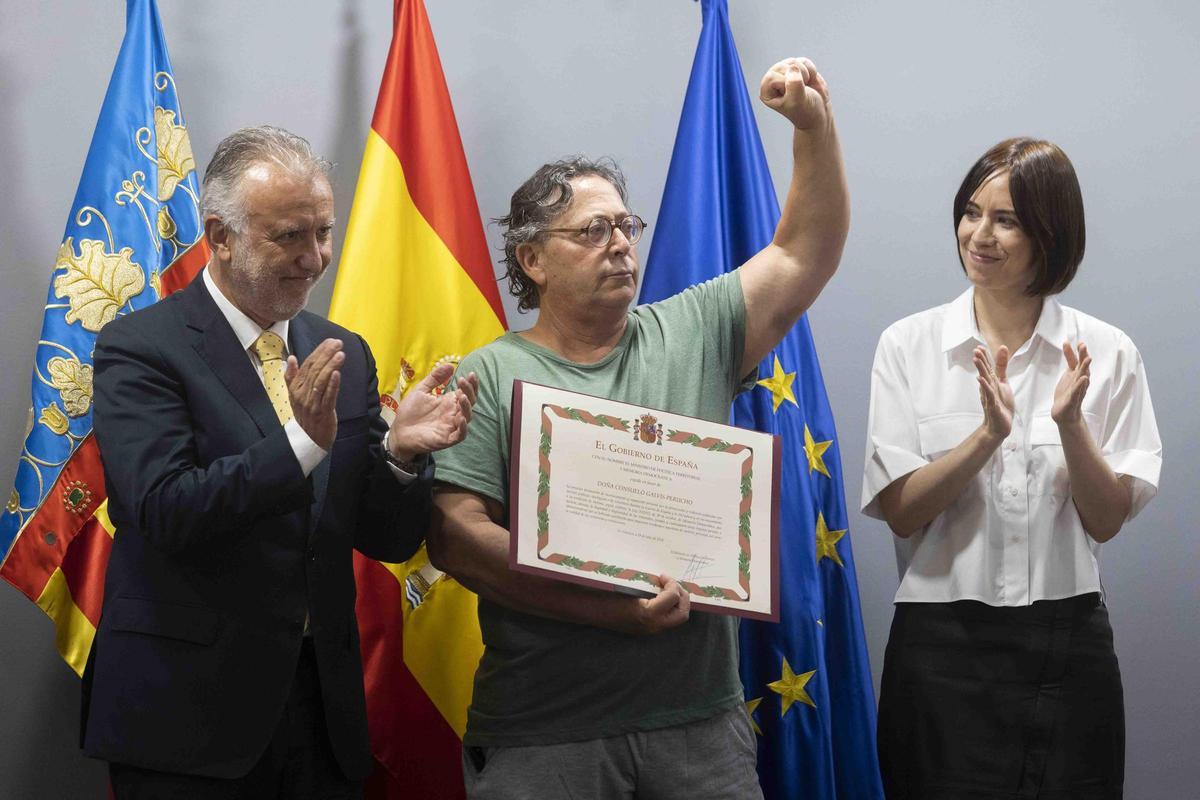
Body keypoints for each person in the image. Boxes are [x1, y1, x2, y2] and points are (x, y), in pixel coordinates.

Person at [428, 57, 847, 798]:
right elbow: (457, 538)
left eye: (627, 224)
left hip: (700, 732)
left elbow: (800, 252)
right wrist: (609, 610)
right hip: (542, 734)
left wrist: (812, 127)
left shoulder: (695, 329)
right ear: (533, 259)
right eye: (593, 230)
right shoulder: (487, 373)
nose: (621, 243)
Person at [82, 126, 478, 798]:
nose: (315, 257)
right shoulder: (140, 348)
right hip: (187, 718)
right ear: (222, 234)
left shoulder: (340, 351)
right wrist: (303, 443)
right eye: (290, 236)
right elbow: (166, 509)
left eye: (324, 232)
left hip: (321, 713)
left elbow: (381, 536)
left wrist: (403, 454)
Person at [862, 138, 1162, 799]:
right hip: (941, 646)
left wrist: (1070, 424)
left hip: (1068, 643)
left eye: (1007, 220)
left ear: (1051, 235)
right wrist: (987, 436)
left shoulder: (1106, 352)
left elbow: (1106, 520)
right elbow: (904, 510)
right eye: (971, 213)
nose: (980, 235)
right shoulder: (908, 346)